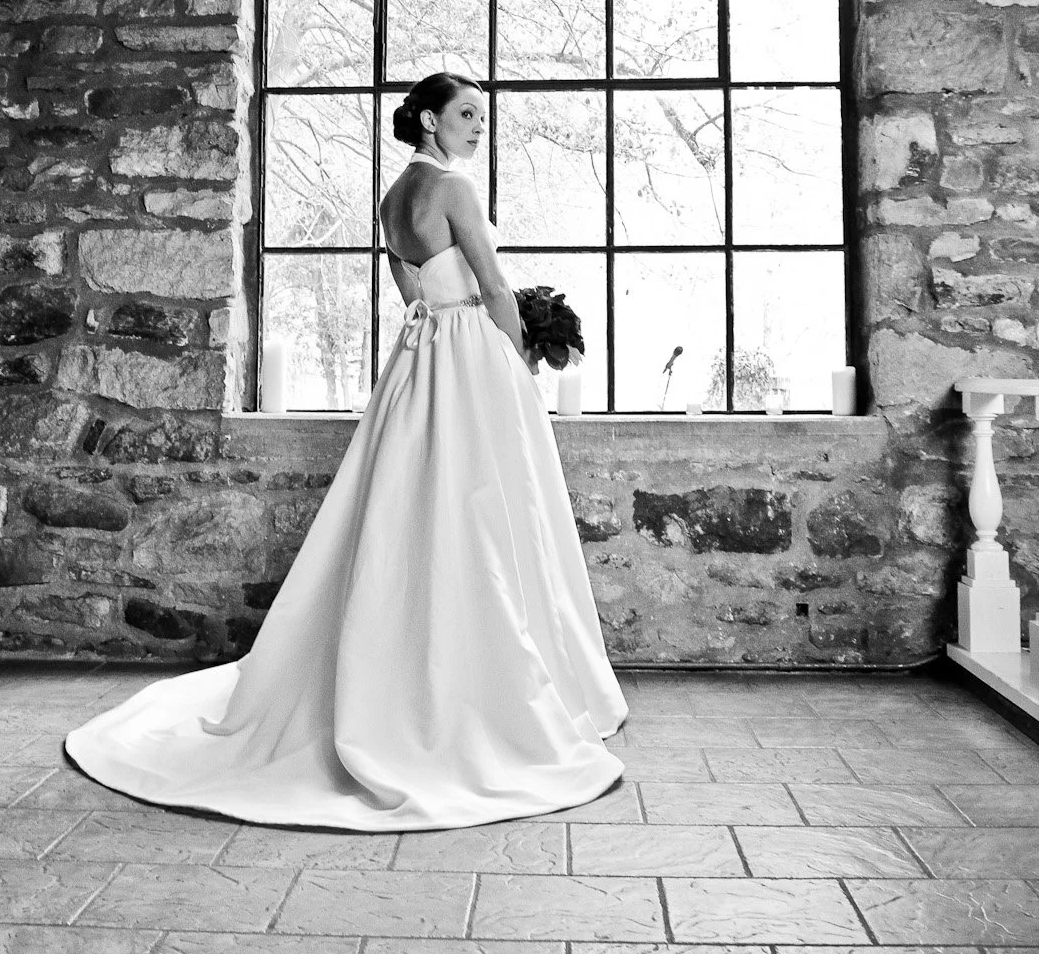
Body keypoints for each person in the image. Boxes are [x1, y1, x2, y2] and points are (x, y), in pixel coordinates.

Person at [64, 70, 627, 830]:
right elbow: (492, 289)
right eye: (466, 114)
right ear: (429, 120)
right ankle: (478, 688)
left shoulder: (395, 199)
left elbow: (412, 292)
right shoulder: (455, 189)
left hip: (419, 359)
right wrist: (522, 357)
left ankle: (401, 666)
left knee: (408, 511)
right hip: (470, 357)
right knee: (489, 509)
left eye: (480, 117)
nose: (477, 127)